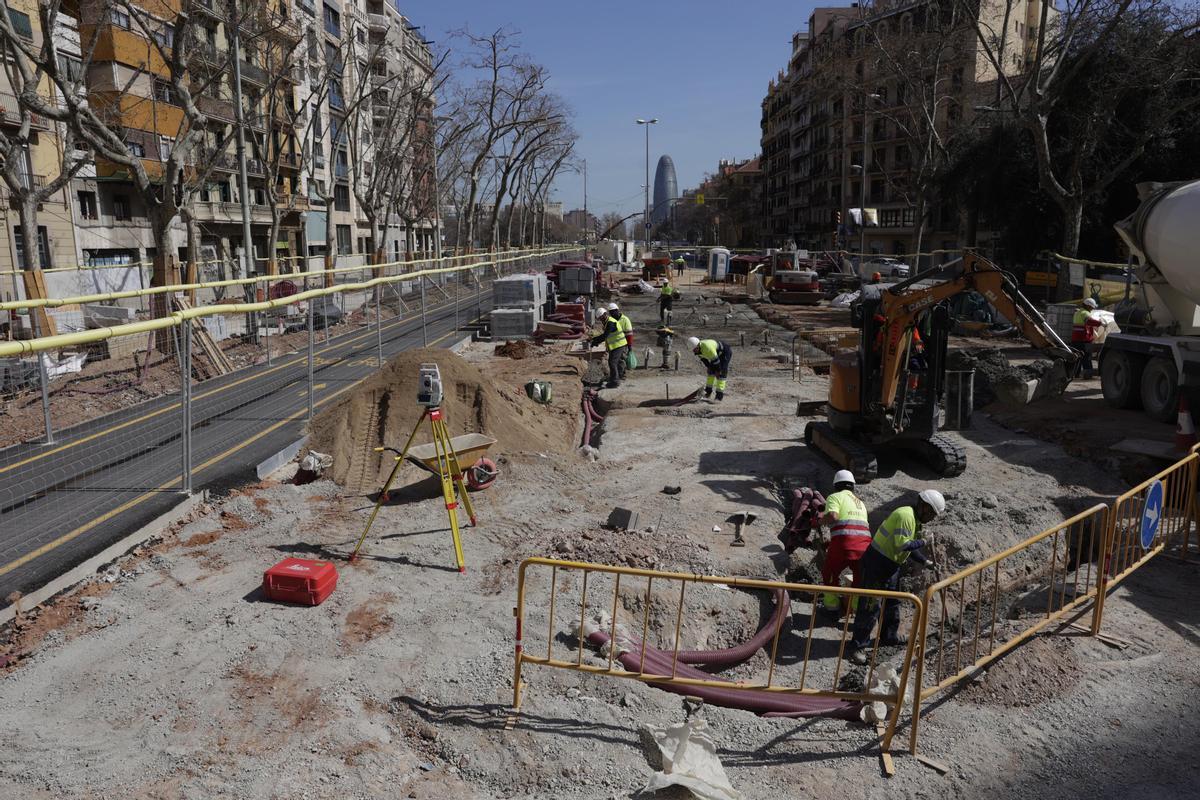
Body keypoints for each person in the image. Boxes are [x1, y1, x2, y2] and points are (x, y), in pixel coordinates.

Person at [848, 489, 944, 664]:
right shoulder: (905, 516)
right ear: (924, 507)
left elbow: (910, 548)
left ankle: (888, 636)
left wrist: (925, 562)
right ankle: (857, 647)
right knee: (870, 606)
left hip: (891, 566)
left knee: (893, 602)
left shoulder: (915, 520)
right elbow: (902, 545)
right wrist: (924, 542)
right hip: (876, 564)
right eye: (931, 514)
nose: (931, 518)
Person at [818, 470, 871, 614]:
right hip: (865, 548)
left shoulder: (834, 497)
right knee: (859, 580)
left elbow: (833, 516)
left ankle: (832, 608)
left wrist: (820, 520)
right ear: (852, 486)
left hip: (843, 545)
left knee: (829, 573)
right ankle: (853, 609)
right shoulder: (861, 503)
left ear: (836, 485)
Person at [590, 306, 629, 388]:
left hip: (619, 345)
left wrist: (595, 341)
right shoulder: (607, 322)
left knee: (612, 362)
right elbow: (605, 336)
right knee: (613, 362)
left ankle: (615, 382)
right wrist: (594, 339)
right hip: (615, 345)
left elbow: (605, 336)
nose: (601, 320)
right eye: (599, 319)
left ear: (605, 314)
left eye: (601, 318)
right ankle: (613, 378)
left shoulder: (611, 322)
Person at [687, 336, 732, 401]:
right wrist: (709, 367)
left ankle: (719, 397)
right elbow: (704, 360)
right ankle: (708, 393)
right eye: (693, 350)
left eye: (695, 349)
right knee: (711, 372)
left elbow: (716, 362)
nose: (694, 351)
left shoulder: (707, 348)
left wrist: (718, 371)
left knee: (721, 374)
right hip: (715, 355)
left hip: (724, 352)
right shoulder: (697, 350)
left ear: (698, 346)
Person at [1072, 298, 1101, 379]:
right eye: (1092, 307)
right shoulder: (1085, 313)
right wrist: (1100, 323)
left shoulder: (1077, 312)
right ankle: (1088, 375)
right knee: (1086, 357)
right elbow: (1089, 322)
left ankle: (1075, 375)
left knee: (1077, 358)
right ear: (1088, 306)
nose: (1092, 309)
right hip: (1083, 339)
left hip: (1075, 339)